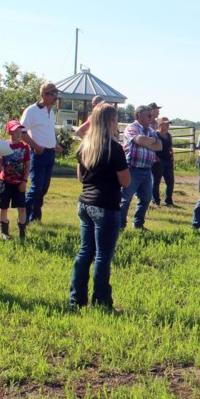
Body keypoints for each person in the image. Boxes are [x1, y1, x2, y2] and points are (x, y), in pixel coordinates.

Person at [70, 104, 130, 309]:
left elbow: (80, 178)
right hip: (106, 205)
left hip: (85, 203)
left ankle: (76, 299)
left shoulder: (84, 146)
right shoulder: (114, 149)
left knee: (85, 252)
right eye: (115, 120)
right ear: (110, 122)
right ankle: (102, 301)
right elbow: (126, 181)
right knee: (103, 256)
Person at [20, 82, 63, 223]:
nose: (56, 97)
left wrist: (55, 144)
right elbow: (22, 132)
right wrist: (35, 146)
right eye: (53, 94)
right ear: (44, 95)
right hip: (38, 154)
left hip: (50, 153)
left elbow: (48, 132)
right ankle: (24, 217)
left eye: (56, 94)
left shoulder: (51, 111)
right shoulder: (32, 110)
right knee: (36, 187)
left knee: (43, 188)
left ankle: (35, 217)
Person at [119, 104, 161, 230]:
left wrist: (146, 141)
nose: (151, 118)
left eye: (152, 115)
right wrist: (150, 141)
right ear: (138, 115)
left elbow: (159, 146)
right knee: (125, 199)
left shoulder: (151, 131)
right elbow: (139, 140)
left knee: (146, 198)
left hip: (147, 170)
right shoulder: (131, 128)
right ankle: (120, 225)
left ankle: (138, 224)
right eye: (148, 115)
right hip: (132, 169)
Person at [0, 120, 31, 241]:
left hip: (19, 182)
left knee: (22, 207)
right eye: (16, 131)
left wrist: (24, 181)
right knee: (3, 206)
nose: (18, 133)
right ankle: (4, 231)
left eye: (20, 131)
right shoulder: (4, 145)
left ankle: (22, 232)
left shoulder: (24, 147)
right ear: (10, 132)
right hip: (5, 181)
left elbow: (27, 165)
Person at [152, 117, 175, 207]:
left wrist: (172, 155)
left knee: (170, 182)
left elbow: (170, 146)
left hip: (168, 160)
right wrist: (155, 157)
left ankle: (168, 201)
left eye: (168, 124)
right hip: (158, 161)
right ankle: (156, 201)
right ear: (160, 124)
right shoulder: (155, 134)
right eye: (166, 123)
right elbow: (151, 146)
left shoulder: (168, 135)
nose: (168, 125)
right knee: (156, 181)